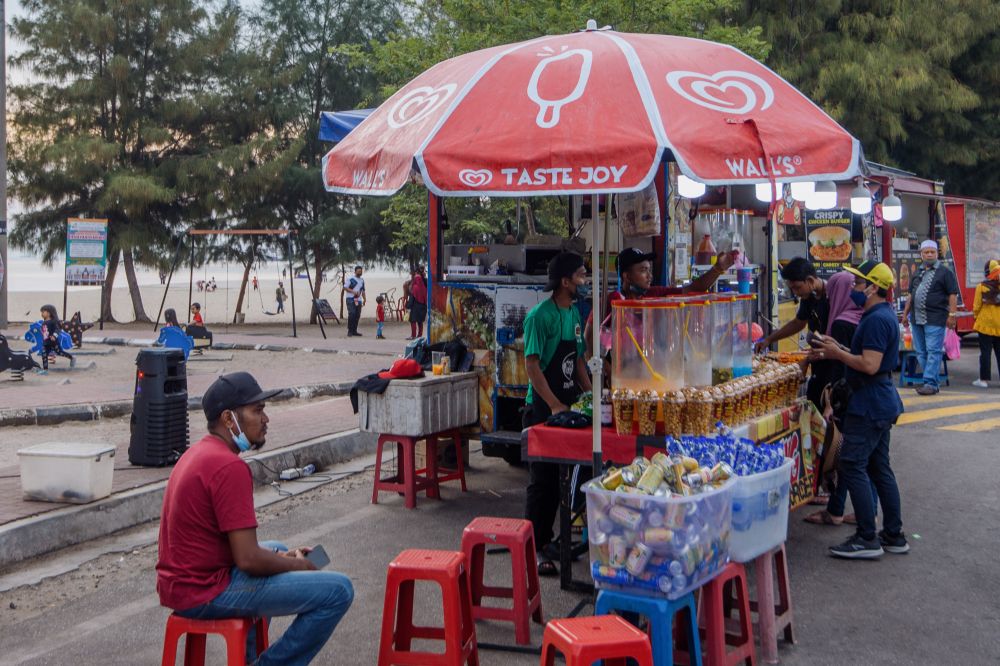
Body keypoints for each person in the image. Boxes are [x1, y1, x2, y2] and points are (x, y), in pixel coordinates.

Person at [156, 372, 354, 664]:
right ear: (228, 419)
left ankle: (246, 658)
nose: (265, 419)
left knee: (275, 546)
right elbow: (248, 559)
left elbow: (239, 552)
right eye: (257, 410)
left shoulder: (199, 452)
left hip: (180, 584)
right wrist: (298, 565)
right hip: (203, 591)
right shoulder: (228, 468)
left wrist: (284, 558)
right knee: (339, 591)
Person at [810, 261, 908, 559]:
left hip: (870, 404)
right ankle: (893, 534)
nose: (853, 288)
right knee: (879, 468)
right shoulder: (877, 315)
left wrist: (837, 352)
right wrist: (838, 345)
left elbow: (869, 364)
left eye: (858, 284)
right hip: (877, 401)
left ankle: (867, 537)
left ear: (873, 287)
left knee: (852, 464)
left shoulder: (877, 319)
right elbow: (865, 357)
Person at [522, 252, 593, 576]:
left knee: (567, 479)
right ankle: (533, 549)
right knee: (544, 483)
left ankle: (551, 540)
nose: (585, 280)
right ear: (565, 282)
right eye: (581, 275)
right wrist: (552, 404)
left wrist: (590, 395)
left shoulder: (575, 313)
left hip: (567, 405)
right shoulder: (540, 316)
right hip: (542, 407)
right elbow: (532, 365)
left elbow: (577, 360)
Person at [583, 246, 736, 353]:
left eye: (649, 270)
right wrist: (607, 375)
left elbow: (692, 290)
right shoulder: (613, 301)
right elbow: (588, 340)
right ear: (626, 276)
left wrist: (718, 268)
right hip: (620, 378)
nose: (649, 276)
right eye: (643, 270)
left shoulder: (653, 294)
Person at [755, 257, 863, 408]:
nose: (795, 293)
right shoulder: (809, 298)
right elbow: (798, 322)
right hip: (819, 361)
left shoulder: (836, 300)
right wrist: (769, 339)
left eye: (797, 287)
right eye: (791, 289)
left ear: (810, 280)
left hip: (835, 367)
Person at [901, 240, 960, 395]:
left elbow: (952, 295)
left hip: (936, 318)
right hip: (916, 319)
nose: (929, 254)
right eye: (926, 252)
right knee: (921, 352)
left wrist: (952, 315)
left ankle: (930, 383)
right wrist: (906, 314)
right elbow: (911, 296)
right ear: (921, 254)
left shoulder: (945, 272)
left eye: (932, 252)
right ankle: (932, 382)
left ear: (936, 253)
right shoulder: (917, 272)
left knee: (933, 351)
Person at [972, 259, 1000, 388]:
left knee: (985, 352)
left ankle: (983, 380)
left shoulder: (981, 286)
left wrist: (976, 317)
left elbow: (977, 306)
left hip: (985, 325)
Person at [37, 304, 74, 374]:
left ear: (49, 312)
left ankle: (71, 357)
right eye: (41, 312)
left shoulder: (54, 321)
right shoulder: (44, 322)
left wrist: (54, 336)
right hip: (46, 342)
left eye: (43, 312)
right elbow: (44, 331)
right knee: (44, 354)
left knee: (60, 352)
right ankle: (45, 370)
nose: (41, 314)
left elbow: (58, 329)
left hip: (54, 342)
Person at [344, 266, 366, 337]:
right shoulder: (351, 279)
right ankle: (350, 331)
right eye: (358, 271)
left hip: (358, 300)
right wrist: (353, 292)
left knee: (357, 315)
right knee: (352, 314)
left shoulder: (362, 280)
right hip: (350, 298)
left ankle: (354, 331)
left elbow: (363, 291)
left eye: (361, 271)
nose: (360, 272)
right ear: (355, 271)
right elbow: (345, 287)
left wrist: (364, 299)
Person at [408, 265, 427, 340]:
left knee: (413, 321)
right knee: (420, 322)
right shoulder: (424, 288)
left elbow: (412, 298)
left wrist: (408, 306)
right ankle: (419, 336)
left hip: (415, 307)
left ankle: (413, 335)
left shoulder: (415, 288)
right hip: (423, 307)